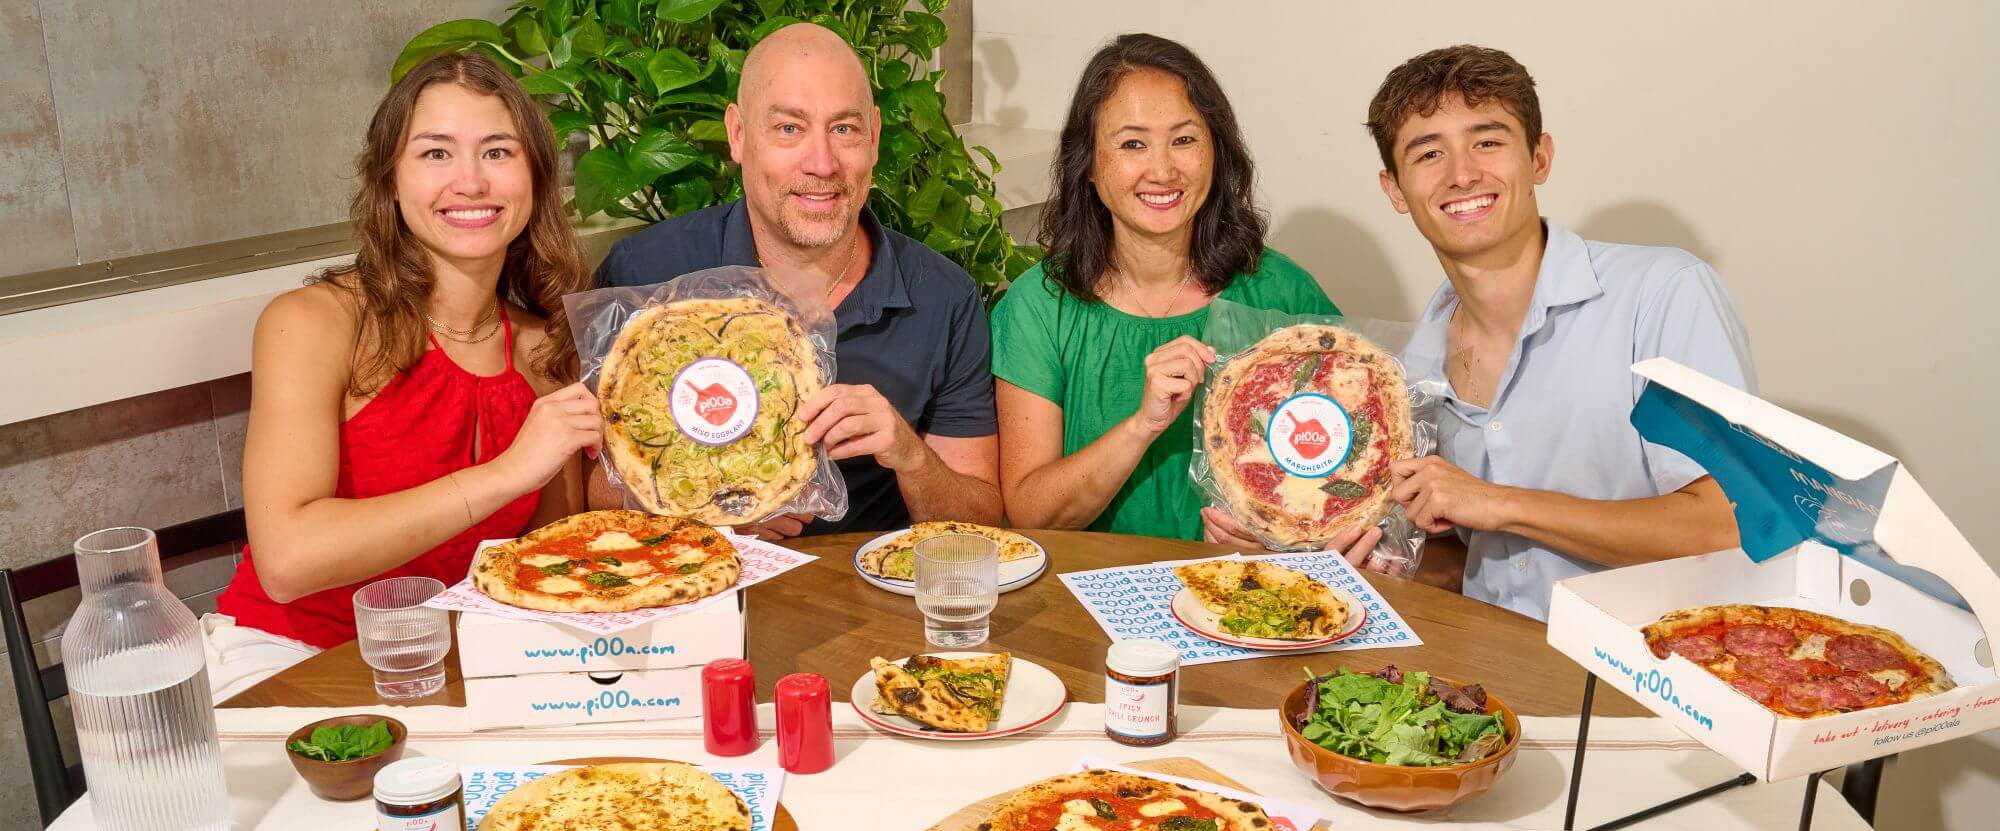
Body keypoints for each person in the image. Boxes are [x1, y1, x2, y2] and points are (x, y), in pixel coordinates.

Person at [208, 52, 599, 701]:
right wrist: (506, 473)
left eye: (498, 152)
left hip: (459, 666)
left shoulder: (545, 347)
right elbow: (286, 561)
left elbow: (549, 560)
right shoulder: (314, 322)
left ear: (535, 178)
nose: (470, 181)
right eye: (436, 154)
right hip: (286, 661)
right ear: (390, 179)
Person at [1365, 45, 1755, 620]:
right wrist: (1360, 557)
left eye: (1488, 141)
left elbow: (1727, 524)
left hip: (1658, 682)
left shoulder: (1663, 292)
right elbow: (1468, 561)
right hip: (1494, 685)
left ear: (1540, 159)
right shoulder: (1409, 368)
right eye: (1428, 153)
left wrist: (1501, 504)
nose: (1462, 173)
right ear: (1396, 190)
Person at [594, 23, 1002, 538]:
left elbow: (981, 521)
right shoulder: (645, 276)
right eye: (789, 128)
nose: (822, 163)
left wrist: (909, 454)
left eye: (844, 129)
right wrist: (707, 524)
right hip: (698, 597)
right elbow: (596, 491)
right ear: (738, 136)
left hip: (872, 598)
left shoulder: (942, 297)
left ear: (874, 137)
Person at [991, 33, 1377, 558]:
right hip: (1083, 609)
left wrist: (1277, 532)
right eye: (1131, 144)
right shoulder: (1038, 307)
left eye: (1184, 139)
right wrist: (1142, 424)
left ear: (1217, 150)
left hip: (1258, 599)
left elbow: (1360, 463)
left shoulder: (1281, 293)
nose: (1163, 170)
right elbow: (1031, 513)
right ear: (1089, 163)